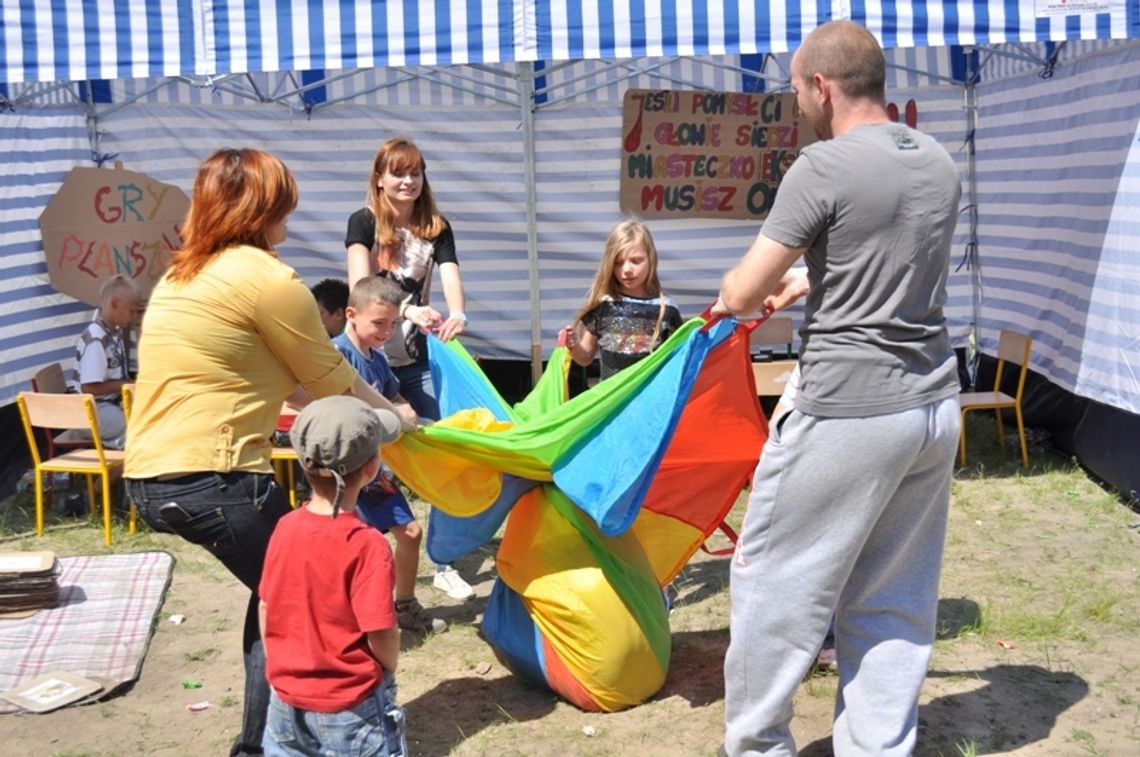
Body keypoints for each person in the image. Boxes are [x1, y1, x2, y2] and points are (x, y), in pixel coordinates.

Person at [713, 21, 962, 756]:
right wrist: (814, 279)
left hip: (846, 407)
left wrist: (748, 288)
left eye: (795, 90)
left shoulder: (821, 166)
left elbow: (737, 293)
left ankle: (757, 744)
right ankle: (877, 745)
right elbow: (886, 254)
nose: (796, 104)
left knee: (772, 583)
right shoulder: (938, 158)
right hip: (933, 406)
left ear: (821, 86)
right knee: (892, 593)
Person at [125, 147, 415, 757]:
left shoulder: (181, 277)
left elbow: (282, 377)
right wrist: (394, 419)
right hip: (217, 477)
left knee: (273, 595)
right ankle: (289, 741)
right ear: (266, 207)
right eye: (284, 198)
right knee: (295, 602)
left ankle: (265, 739)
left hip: (149, 477)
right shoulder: (267, 280)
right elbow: (333, 378)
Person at [345, 136, 475, 602]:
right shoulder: (362, 222)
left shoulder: (435, 227)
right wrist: (403, 312)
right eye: (398, 173)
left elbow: (451, 277)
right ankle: (358, 555)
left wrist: (457, 313)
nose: (408, 181)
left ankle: (443, 559)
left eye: (415, 172)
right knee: (363, 456)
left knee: (446, 450)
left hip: (416, 359)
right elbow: (360, 288)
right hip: (370, 356)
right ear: (379, 178)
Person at [259, 396, 408, 757]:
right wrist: (386, 673)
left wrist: (281, 665)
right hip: (349, 706)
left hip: (283, 700)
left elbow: (266, 606)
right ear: (372, 468)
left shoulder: (285, 527)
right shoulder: (367, 544)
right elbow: (381, 631)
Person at [334, 276, 447, 633]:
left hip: (372, 469)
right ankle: (354, 615)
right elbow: (341, 401)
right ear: (351, 314)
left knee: (403, 535)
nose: (387, 331)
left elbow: (394, 396)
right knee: (361, 543)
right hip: (343, 470)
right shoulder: (338, 354)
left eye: (394, 324)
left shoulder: (378, 360)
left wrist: (405, 409)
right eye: (379, 323)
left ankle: (402, 605)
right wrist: (394, 411)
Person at [559, 218, 683, 380]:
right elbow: (585, 358)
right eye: (618, 263)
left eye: (636, 261)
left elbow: (677, 360)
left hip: (649, 401)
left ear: (651, 259)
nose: (627, 270)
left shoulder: (666, 308)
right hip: (613, 401)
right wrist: (573, 345)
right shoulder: (603, 305)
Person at [69, 274, 141, 449]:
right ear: (114, 304)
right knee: (135, 428)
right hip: (91, 410)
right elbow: (89, 388)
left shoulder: (113, 333)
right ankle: (129, 472)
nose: (133, 317)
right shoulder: (96, 340)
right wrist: (126, 384)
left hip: (106, 404)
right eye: (130, 311)